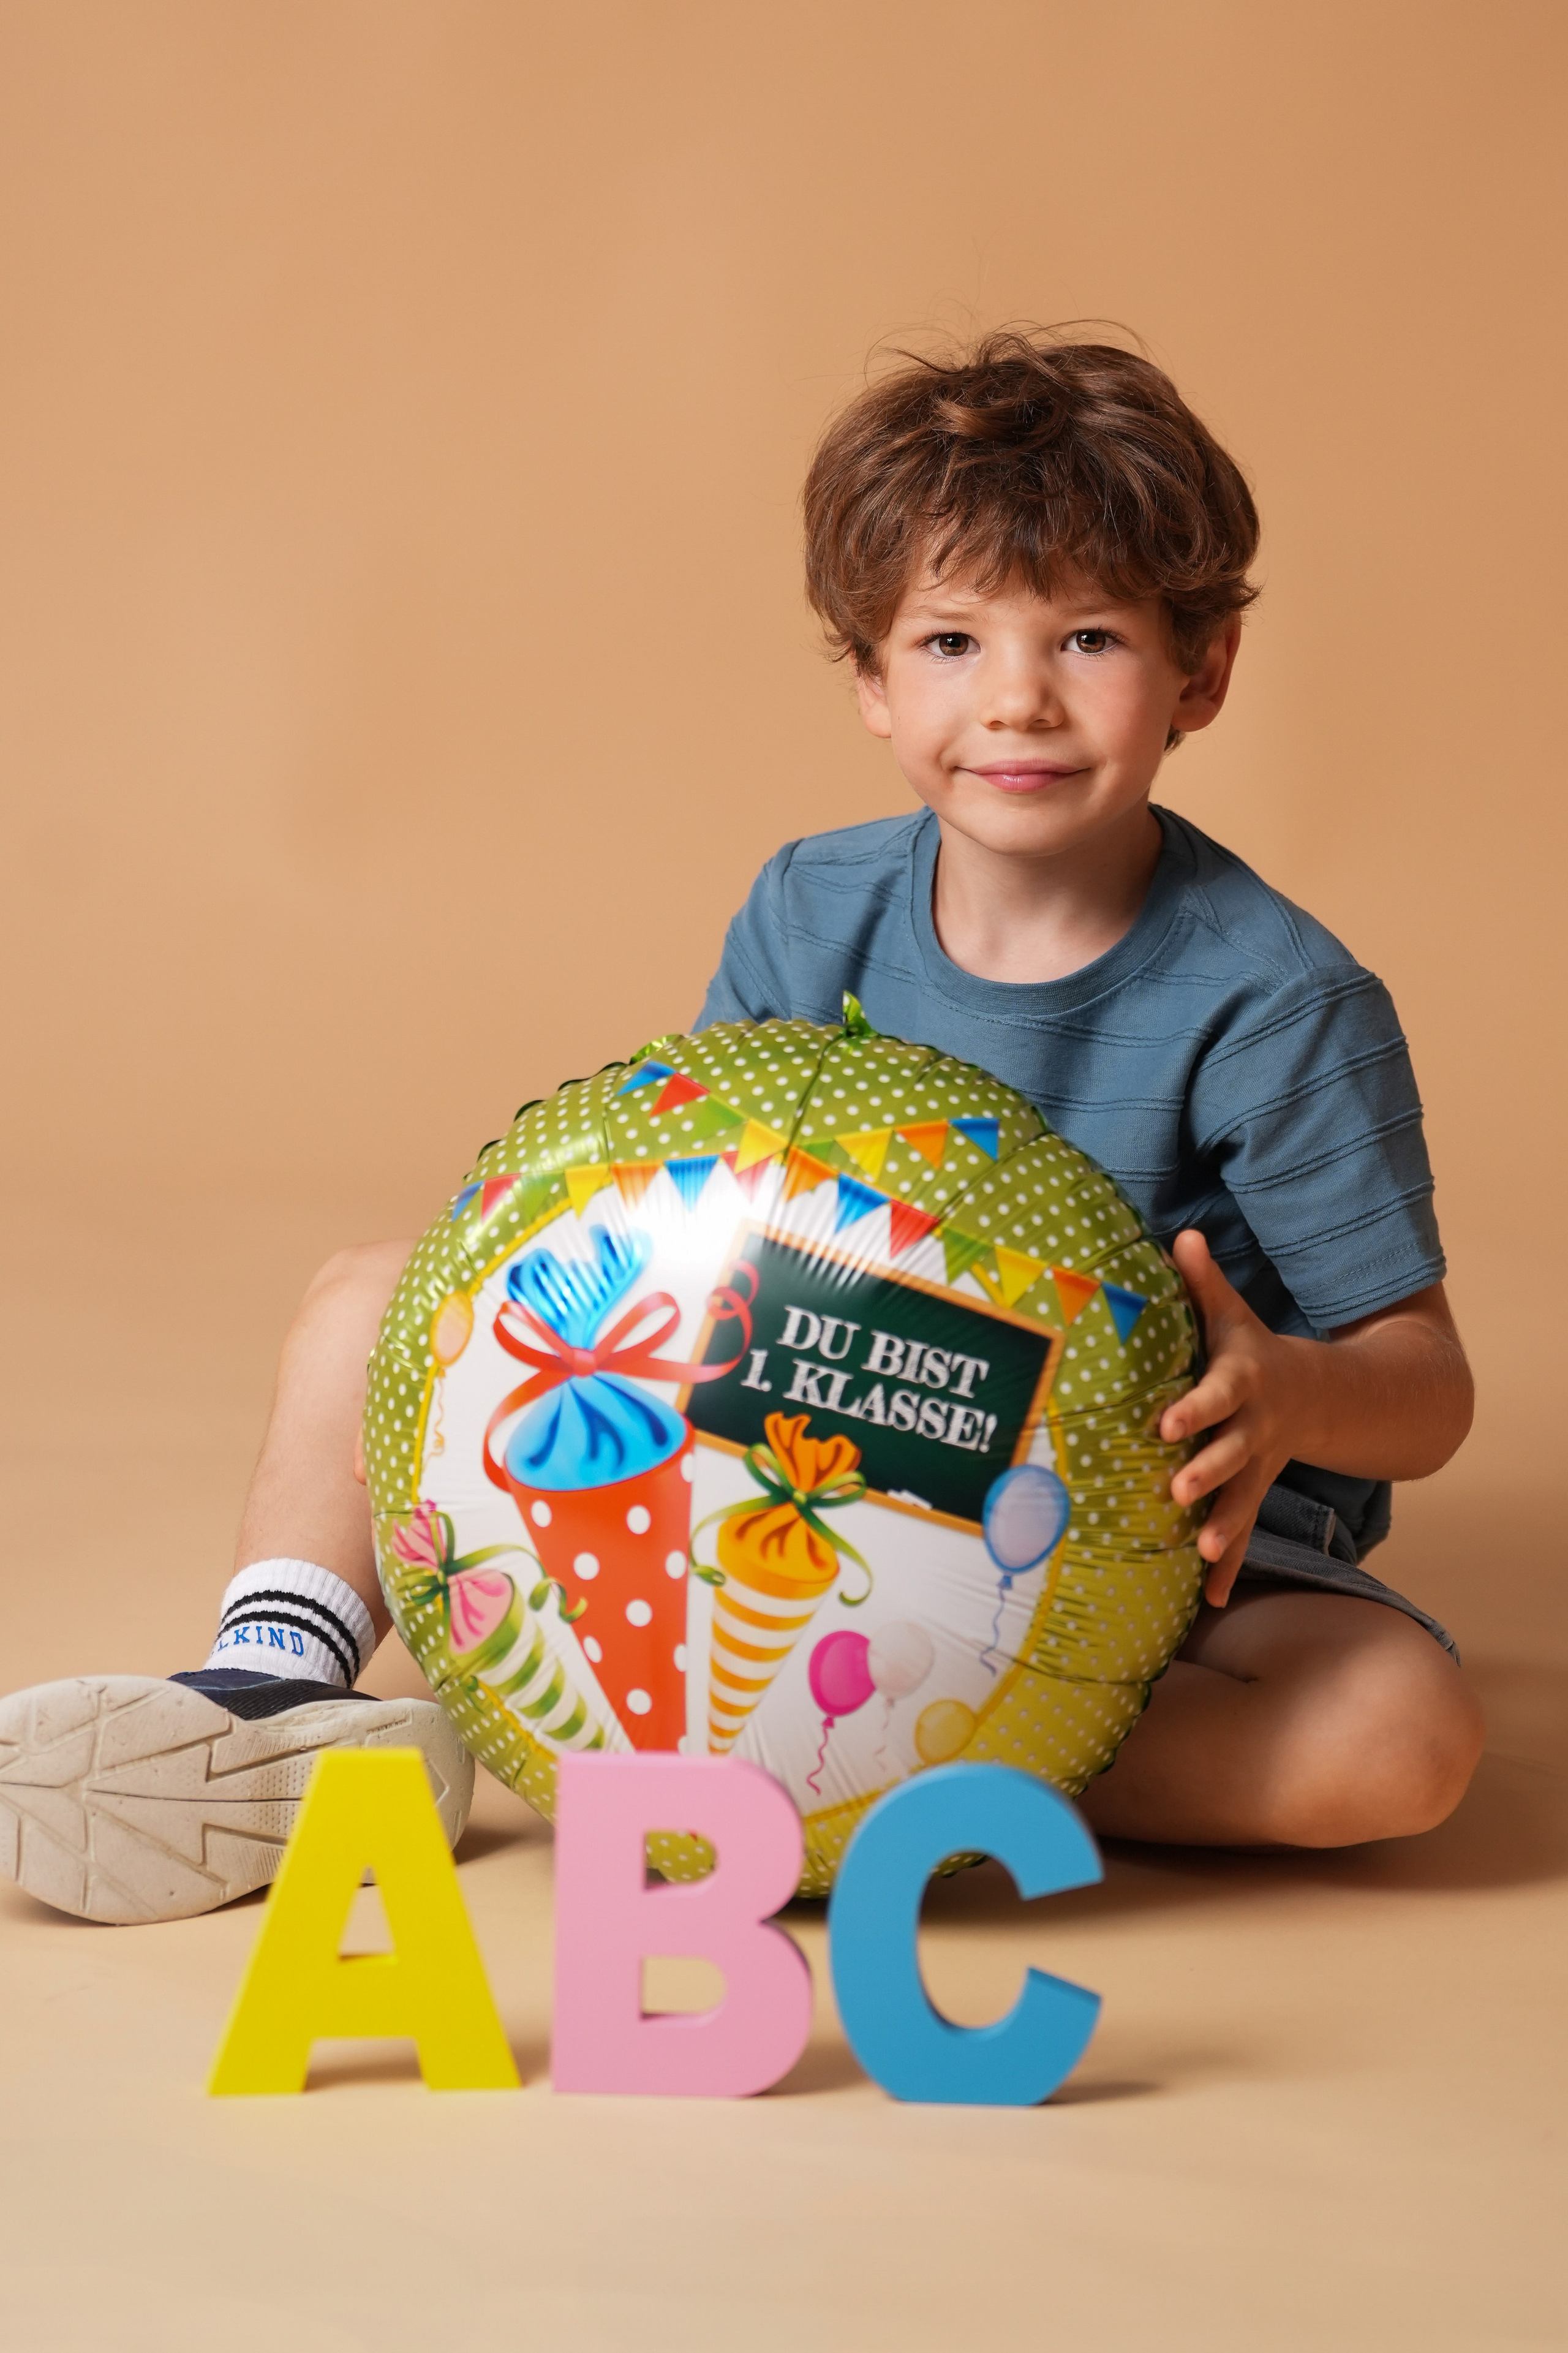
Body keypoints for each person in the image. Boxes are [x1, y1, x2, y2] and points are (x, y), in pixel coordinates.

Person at [0, 330, 1481, 1922]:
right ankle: (275, 1685)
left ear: (1204, 673)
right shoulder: (811, 905)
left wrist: (1283, 1394)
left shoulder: (1279, 996)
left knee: (1403, 1736)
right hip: (798, 1477)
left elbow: (1430, 1389)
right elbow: (681, 1203)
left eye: (1093, 638)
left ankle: (865, 1770)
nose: (1019, 698)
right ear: (868, 677)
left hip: (1151, 1556)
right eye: (952, 640)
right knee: (373, 1288)